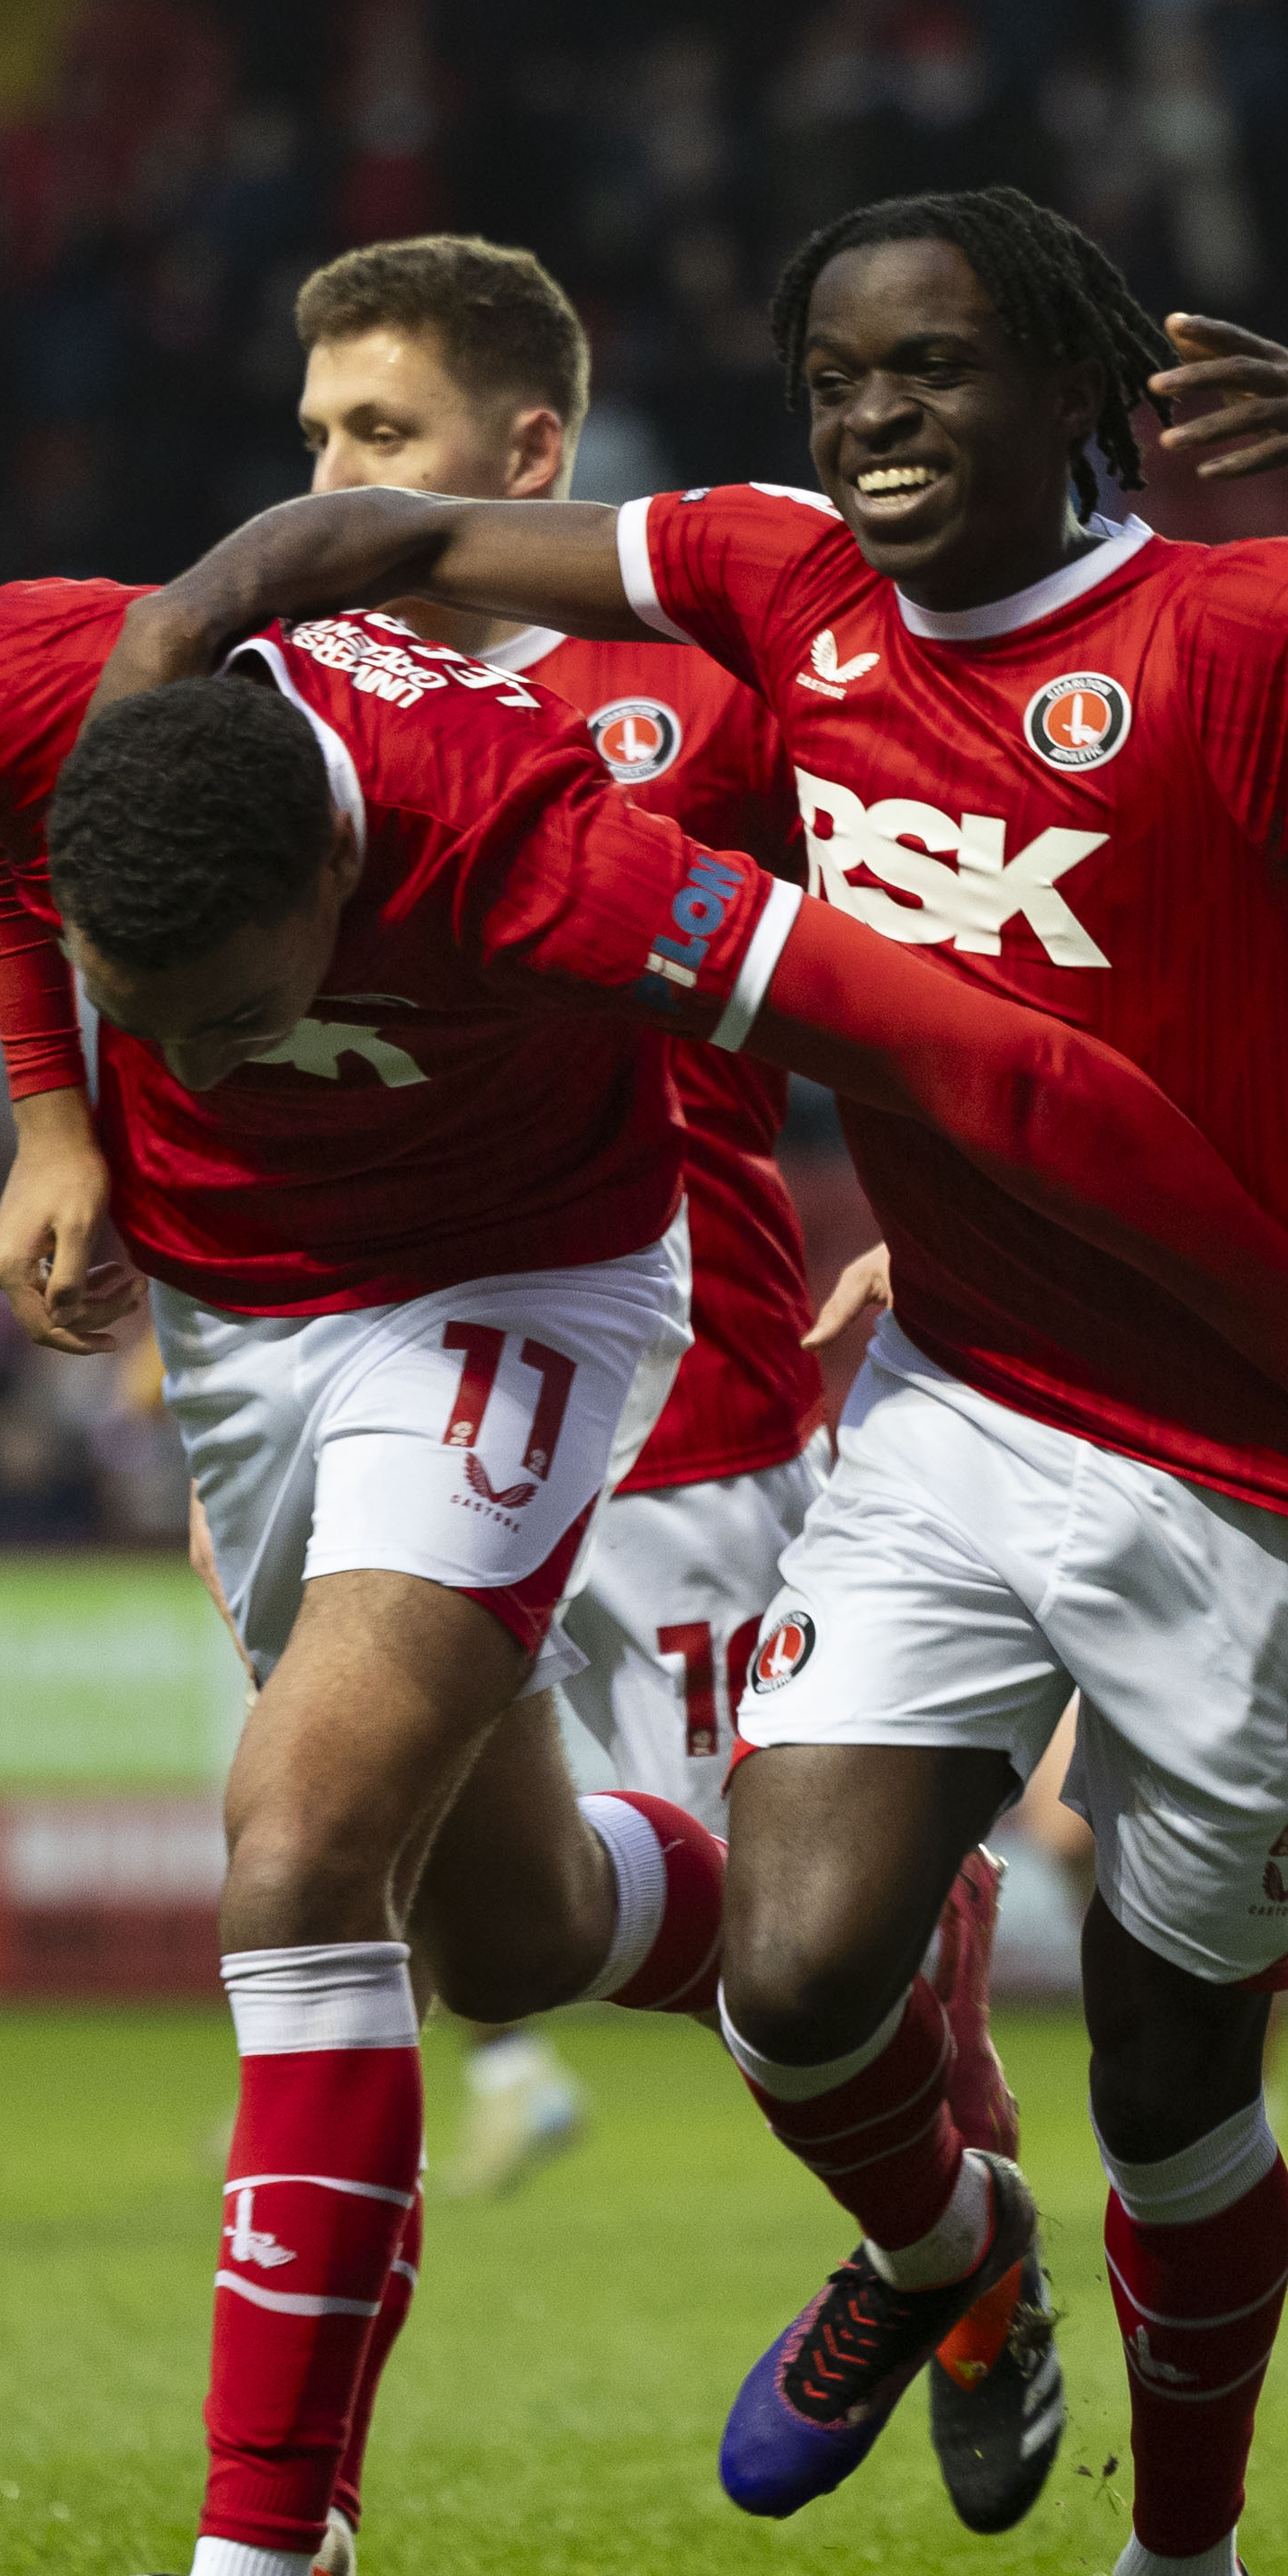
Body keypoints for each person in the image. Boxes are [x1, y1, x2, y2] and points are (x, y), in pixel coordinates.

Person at [106, 179, 1288, 2576]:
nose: (877, 424)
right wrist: (191, 632)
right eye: (840, 381)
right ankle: (944, 2244)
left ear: (1074, 387)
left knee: (1174, 2093)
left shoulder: (1228, 634)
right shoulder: (782, 587)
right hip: (967, 1399)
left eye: (934, 374)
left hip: (1254, 1461)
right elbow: (397, 532)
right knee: (795, 1970)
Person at [274, 234, 1020, 2237]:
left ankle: (957, 2244)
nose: (333, 474)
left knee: (789, 1939)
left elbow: (907, 946)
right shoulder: (289, 705)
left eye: (383, 430)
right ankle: (293, 2515)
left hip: (687, 1380)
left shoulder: (697, 686)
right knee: (394, 1900)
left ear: (526, 453)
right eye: (317, 429)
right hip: (409, 1373)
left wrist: (946, 1225)